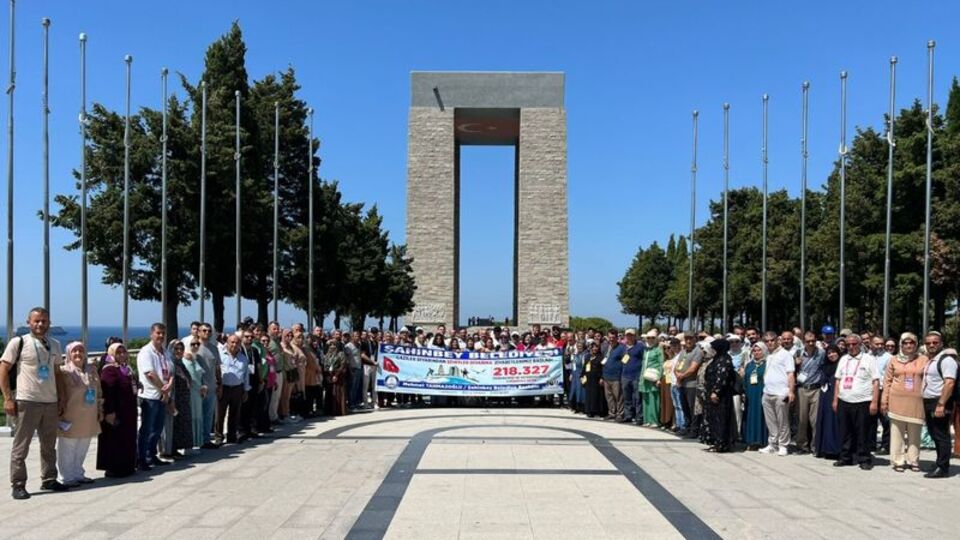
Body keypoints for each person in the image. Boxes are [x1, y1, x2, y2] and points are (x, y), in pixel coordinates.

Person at [0, 307, 68, 499]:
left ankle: (49, 479)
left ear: (48, 323)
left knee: (49, 444)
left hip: (50, 401)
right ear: (29, 322)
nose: (40, 324)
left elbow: (57, 373)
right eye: (36, 321)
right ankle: (18, 483)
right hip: (27, 401)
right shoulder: (19, 342)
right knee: (21, 445)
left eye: (44, 321)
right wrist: (7, 398)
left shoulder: (54, 344)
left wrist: (61, 398)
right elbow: (3, 369)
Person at [55, 341, 101, 487]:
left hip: (88, 415)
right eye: (74, 351)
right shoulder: (63, 371)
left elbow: (98, 391)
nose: (78, 354)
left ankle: (78, 473)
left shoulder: (91, 370)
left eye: (81, 350)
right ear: (68, 353)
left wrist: (100, 409)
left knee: (83, 445)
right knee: (68, 446)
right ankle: (66, 477)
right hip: (70, 414)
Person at [880, 333, 927, 472]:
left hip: (916, 402)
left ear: (916, 344)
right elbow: (887, 381)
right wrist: (884, 401)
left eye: (912, 343)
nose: (908, 345)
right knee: (897, 434)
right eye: (905, 343)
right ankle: (898, 461)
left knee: (915, 434)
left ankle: (913, 460)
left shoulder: (923, 359)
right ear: (901, 344)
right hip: (896, 401)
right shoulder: (894, 360)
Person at [832, 334, 880, 470]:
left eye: (854, 344)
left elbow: (876, 381)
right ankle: (845, 457)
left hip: (863, 401)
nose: (851, 347)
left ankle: (864, 458)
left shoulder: (869, 359)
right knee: (845, 431)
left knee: (863, 432)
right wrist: (835, 400)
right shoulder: (843, 359)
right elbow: (838, 380)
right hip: (844, 400)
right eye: (848, 345)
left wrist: (874, 402)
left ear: (860, 345)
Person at [96, 343, 138, 478]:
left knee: (127, 438)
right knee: (115, 440)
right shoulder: (109, 370)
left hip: (128, 410)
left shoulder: (126, 369)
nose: (121, 355)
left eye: (123, 352)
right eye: (118, 352)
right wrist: (109, 411)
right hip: (116, 410)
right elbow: (107, 391)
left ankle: (127, 466)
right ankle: (114, 468)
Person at [920, 331, 956, 478]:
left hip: (939, 401)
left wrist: (941, 404)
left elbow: (949, 382)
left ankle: (943, 468)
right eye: (928, 343)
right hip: (929, 401)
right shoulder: (931, 359)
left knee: (941, 435)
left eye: (935, 342)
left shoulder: (946, 360)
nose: (931, 345)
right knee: (934, 433)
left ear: (941, 343)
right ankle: (940, 461)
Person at [137, 323, 172, 470]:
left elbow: (171, 371)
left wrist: (168, 387)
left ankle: (152, 455)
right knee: (147, 428)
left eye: (163, 333)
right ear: (151, 334)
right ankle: (141, 458)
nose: (161, 336)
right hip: (150, 395)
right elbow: (149, 373)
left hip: (163, 395)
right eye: (158, 333)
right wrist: (164, 390)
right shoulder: (146, 352)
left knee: (158, 428)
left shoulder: (165, 352)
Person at [760, 332, 795, 456]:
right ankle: (772, 444)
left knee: (783, 421)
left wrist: (790, 391)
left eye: (772, 340)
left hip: (781, 393)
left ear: (777, 340)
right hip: (767, 392)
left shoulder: (786, 355)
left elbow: (790, 374)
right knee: (771, 422)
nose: (769, 342)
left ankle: (783, 445)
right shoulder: (768, 355)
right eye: (767, 341)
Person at [700, 338, 736, 452]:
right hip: (711, 393)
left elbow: (723, 377)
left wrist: (716, 391)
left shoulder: (725, 359)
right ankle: (715, 441)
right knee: (714, 418)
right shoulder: (716, 359)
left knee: (721, 419)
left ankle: (722, 443)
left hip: (721, 396)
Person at [215, 333, 250, 445]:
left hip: (237, 388)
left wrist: (245, 390)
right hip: (223, 388)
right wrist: (218, 386)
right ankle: (219, 437)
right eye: (232, 342)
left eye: (237, 342)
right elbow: (216, 371)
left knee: (235, 413)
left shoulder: (243, 358)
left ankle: (231, 436)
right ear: (227, 343)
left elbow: (246, 376)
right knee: (220, 413)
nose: (234, 345)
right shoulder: (220, 355)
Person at [795, 331, 825, 455]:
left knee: (815, 420)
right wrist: (795, 364)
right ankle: (802, 446)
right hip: (802, 388)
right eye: (808, 341)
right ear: (804, 341)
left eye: (813, 340)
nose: (811, 343)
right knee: (802, 419)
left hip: (816, 389)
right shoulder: (798, 353)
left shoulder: (822, 353)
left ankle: (815, 446)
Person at [813, 345, 842, 459]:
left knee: (835, 423)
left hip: (837, 396)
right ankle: (824, 449)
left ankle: (835, 449)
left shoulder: (842, 365)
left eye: (834, 352)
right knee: (825, 421)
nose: (831, 355)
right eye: (829, 353)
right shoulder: (825, 366)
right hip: (825, 397)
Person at [167, 340, 195, 455]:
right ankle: (171, 449)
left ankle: (178, 447)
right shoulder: (170, 364)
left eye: (181, 349)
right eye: (176, 349)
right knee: (175, 424)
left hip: (183, 399)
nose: (179, 351)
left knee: (181, 424)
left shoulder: (180, 363)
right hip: (175, 399)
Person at [194, 323, 220, 449]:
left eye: (209, 331)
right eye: (204, 330)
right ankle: (196, 439)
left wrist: (219, 383)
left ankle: (205, 439)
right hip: (197, 388)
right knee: (198, 415)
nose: (207, 333)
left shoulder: (214, 348)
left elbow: (217, 368)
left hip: (211, 387)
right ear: (198, 332)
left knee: (208, 415)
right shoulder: (194, 347)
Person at [741, 341, 769, 450]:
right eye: (755, 351)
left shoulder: (767, 364)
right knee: (750, 416)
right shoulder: (749, 365)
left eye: (759, 350)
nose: (756, 353)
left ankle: (762, 441)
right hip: (750, 395)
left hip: (762, 393)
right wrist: (743, 392)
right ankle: (751, 441)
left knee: (761, 416)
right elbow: (745, 379)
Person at [674, 333, 702, 437]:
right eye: (686, 339)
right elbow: (676, 366)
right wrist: (677, 374)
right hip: (682, 384)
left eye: (691, 339)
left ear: (695, 339)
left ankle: (694, 429)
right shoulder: (683, 351)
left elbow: (693, 368)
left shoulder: (697, 351)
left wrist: (681, 376)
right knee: (684, 406)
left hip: (692, 384)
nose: (688, 341)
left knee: (692, 407)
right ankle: (687, 426)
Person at [182, 340, 207, 448]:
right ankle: (190, 442)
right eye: (192, 344)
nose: (196, 346)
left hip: (198, 392)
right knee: (191, 417)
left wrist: (203, 386)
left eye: (198, 344)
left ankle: (197, 442)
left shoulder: (195, 359)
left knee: (198, 416)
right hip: (190, 392)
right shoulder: (184, 360)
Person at [619, 329, 644, 424]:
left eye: (631, 335)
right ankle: (628, 415)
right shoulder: (624, 347)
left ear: (635, 336)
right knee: (627, 397)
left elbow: (643, 359)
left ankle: (639, 417)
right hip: (625, 376)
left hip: (636, 376)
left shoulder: (640, 346)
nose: (629, 337)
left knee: (637, 398)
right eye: (627, 335)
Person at [640, 330, 663, 427]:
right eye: (648, 338)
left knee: (654, 399)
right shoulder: (646, 350)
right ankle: (647, 420)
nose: (650, 340)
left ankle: (654, 420)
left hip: (653, 377)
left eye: (652, 338)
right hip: (644, 377)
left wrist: (659, 378)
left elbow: (661, 364)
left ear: (656, 339)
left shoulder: (658, 350)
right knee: (646, 399)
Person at [601, 329, 625, 421]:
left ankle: (620, 414)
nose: (611, 339)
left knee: (618, 397)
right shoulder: (606, 347)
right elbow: (604, 360)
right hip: (606, 376)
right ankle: (612, 413)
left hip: (616, 377)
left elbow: (625, 360)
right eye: (609, 337)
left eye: (613, 337)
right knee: (609, 397)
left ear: (617, 337)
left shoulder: (622, 348)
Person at [323, 340, 348, 416]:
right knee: (330, 393)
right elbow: (325, 365)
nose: (332, 346)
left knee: (338, 393)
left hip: (338, 376)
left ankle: (339, 411)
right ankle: (329, 410)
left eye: (334, 344)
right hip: (329, 376)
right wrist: (327, 373)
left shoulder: (341, 354)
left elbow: (343, 365)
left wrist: (336, 375)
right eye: (331, 344)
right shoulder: (327, 354)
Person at [666, 338, 685, 433]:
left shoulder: (682, 355)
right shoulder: (674, 356)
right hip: (672, 383)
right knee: (676, 405)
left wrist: (679, 380)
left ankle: (683, 425)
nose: (674, 347)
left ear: (680, 345)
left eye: (676, 345)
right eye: (672, 345)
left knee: (680, 405)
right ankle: (678, 424)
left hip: (678, 383)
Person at [583, 341, 606, 418]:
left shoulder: (601, 357)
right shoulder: (587, 357)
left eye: (596, 347)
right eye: (593, 347)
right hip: (589, 379)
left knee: (597, 395)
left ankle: (598, 411)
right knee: (589, 395)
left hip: (597, 380)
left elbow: (604, 368)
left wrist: (602, 377)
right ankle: (590, 411)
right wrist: (582, 376)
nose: (595, 348)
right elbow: (584, 368)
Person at [568, 341, 586, 413]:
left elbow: (584, 366)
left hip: (581, 374)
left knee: (581, 392)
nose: (579, 347)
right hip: (575, 375)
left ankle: (582, 408)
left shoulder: (584, 355)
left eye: (580, 346)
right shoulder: (575, 354)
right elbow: (573, 365)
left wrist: (583, 375)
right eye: (578, 346)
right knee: (574, 391)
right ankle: (575, 407)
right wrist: (571, 374)